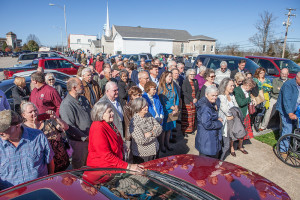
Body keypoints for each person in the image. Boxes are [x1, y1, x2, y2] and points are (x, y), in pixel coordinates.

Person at [0, 110, 54, 190]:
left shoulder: (38, 136)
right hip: (10, 194)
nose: (0, 132)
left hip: (39, 190)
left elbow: (50, 161)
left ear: (17, 126)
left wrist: (50, 180)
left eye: (4, 129)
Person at [86, 101, 143, 172]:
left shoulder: (109, 123)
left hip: (113, 166)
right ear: (101, 114)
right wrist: (128, 166)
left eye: (112, 111)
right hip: (103, 170)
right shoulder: (98, 127)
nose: (112, 113)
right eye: (109, 112)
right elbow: (105, 155)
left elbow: (116, 137)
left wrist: (123, 145)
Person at [21, 102, 70, 172]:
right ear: (24, 115)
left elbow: (65, 127)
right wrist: (35, 126)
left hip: (61, 162)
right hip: (44, 167)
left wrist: (56, 117)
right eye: (30, 112)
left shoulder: (48, 121)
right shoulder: (23, 129)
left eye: (35, 110)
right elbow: (33, 145)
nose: (34, 113)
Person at [59, 77, 92, 169]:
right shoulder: (66, 104)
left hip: (90, 139)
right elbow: (69, 126)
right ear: (74, 88)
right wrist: (84, 138)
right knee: (80, 168)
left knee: (91, 167)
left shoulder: (83, 99)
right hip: (79, 143)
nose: (83, 87)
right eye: (81, 85)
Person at [218, 78, 247, 160]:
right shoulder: (221, 97)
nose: (233, 87)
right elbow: (227, 111)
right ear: (225, 86)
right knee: (225, 144)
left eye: (233, 85)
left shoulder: (231, 96)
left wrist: (233, 114)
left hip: (232, 122)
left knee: (230, 140)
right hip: (225, 124)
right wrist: (233, 113)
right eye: (231, 85)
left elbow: (237, 109)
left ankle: (220, 160)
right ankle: (219, 161)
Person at [129, 97, 162, 163]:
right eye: (144, 106)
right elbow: (141, 140)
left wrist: (150, 133)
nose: (146, 107)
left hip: (155, 149)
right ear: (138, 107)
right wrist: (154, 132)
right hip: (143, 155)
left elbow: (160, 128)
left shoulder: (149, 115)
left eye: (146, 105)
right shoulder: (134, 122)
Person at [195, 85, 223, 158]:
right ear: (206, 94)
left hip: (206, 138)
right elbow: (207, 124)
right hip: (208, 139)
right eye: (212, 95)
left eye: (216, 95)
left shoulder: (208, 103)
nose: (215, 97)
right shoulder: (206, 107)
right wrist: (219, 123)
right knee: (207, 163)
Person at [276, 72, 300, 154]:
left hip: (296, 108)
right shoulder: (288, 85)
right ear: (297, 78)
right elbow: (287, 100)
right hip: (286, 110)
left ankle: (296, 147)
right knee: (288, 129)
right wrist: (290, 113)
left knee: (297, 128)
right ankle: (283, 150)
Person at [158, 71, 179, 153]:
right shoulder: (161, 87)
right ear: (164, 77)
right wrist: (171, 107)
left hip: (173, 111)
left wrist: (176, 106)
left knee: (169, 129)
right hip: (166, 111)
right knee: (164, 130)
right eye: (169, 76)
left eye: (171, 76)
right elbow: (162, 101)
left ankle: (167, 144)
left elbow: (176, 97)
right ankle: (162, 145)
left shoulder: (172, 86)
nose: (171, 78)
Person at [123, 86, 143, 162]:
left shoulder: (141, 104)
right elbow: (128, 123)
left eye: (140, 94)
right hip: (132, 133)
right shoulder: (127, 107)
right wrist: (130, 135)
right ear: (132, 96)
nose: (140, 96)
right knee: (130, 153)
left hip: (140, 131)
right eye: (138, 95)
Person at [181, 69, 201, 136]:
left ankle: (191, 129)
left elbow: (198, 90)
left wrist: (196, 98)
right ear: (188, 75)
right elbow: (184, 92)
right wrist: (192, 99)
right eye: (191, 74)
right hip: (187, 101)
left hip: (194, 101)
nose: (192, 76)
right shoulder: (185, 82)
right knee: (187, 116)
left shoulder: (195, 81)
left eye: (193, 74)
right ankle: (185, 130)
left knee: (192, 116)